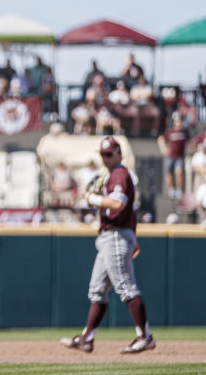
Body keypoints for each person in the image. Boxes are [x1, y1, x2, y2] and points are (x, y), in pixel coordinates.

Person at [61, 136, 155, 354]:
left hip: (115, 235)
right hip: (111, 235)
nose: (105, 158)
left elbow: (117, 204)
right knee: (97, 290)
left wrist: (91, 199)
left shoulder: (120, 173)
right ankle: (86, 338)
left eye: (109, 154)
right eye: (102, 154)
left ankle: (144, 336)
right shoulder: (112, 174)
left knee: (126, 286)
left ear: (119, 154)